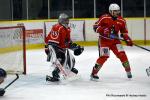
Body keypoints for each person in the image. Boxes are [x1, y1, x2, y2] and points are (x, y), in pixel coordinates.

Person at [91, 3, 133, 80]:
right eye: (115, 11)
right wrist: (103, 29)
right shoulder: (104, 18)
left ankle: (128, 71)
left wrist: (127, 39)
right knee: (104, 56)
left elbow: (124, 33)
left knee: (122, 55)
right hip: (104, 40)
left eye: (118, 11)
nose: (118, 12)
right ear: (111, 11)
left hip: (115, 41)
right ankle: (94, 73)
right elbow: (95, 27)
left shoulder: (122, 20)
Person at [45, 13, 84, 82]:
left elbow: (47, 39)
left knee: (67, 58)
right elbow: (64, 43)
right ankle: (55, 73)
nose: (67, 22)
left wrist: (46, 47)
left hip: (52, 46)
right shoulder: (63, 29)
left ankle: (68, 69)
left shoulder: (57, 27)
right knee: (61, 58)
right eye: (66, 20)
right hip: (56, 47)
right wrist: (75, 47)